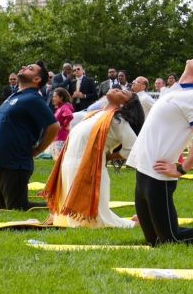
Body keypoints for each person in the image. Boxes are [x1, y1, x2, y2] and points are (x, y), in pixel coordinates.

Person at [126, 55, 193, 245]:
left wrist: (181, 169)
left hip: (159, 176)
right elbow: (184, 77)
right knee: (154, 241)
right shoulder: (178, 91)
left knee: (170, 239)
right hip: (144, 170)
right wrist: (187, 69)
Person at [43, 86, 139, 228]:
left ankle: (133, 224)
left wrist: (109, 157)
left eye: (122, 93)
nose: (117, 89)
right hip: (68, 164)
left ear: (124, 104)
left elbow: (132, 148)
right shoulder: (94, 114)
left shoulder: (118, 120)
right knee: (70, 216)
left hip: (90, 168)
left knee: (96, 219)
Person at [0, 61, 60, 210]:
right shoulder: (14, 96)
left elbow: (54, 126)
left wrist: (39, 149)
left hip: (17, 162)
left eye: (30, 69)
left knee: (16, 207)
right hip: (0, 160)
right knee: (0, 205)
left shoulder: (33, 98)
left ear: (37, 79)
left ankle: (58, 206)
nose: (23, 68)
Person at [50, 87, 75, 157]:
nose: (53, 98)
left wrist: (64, 125)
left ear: (61, 98)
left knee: (59, 160)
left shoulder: (64, 107)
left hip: (62, 138)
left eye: (55, 97)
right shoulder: (60, 108)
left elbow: (69, 116)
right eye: (53, 97)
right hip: (58, 137)